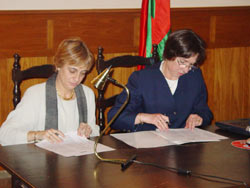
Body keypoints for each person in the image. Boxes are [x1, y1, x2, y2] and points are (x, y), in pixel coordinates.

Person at [108, 29, 213, 132]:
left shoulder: (194, 75)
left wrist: (199, 118)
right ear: (169, 54)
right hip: (150, 144)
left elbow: (205, 112)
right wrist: (143, 117)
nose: (186, 69)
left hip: (185, 145)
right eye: (182, 62)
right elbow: (114, 118)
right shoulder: (142, 79)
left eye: (191, 65)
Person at [0, 38, 99, 146]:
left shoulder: (87, 94)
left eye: (83, 73)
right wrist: (38, 135)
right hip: (42, 160)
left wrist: (88, 131)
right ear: (58, 65)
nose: (77, 78)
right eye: (72, 71)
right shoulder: (36, 94)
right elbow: (4, 135)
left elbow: (95, 132)